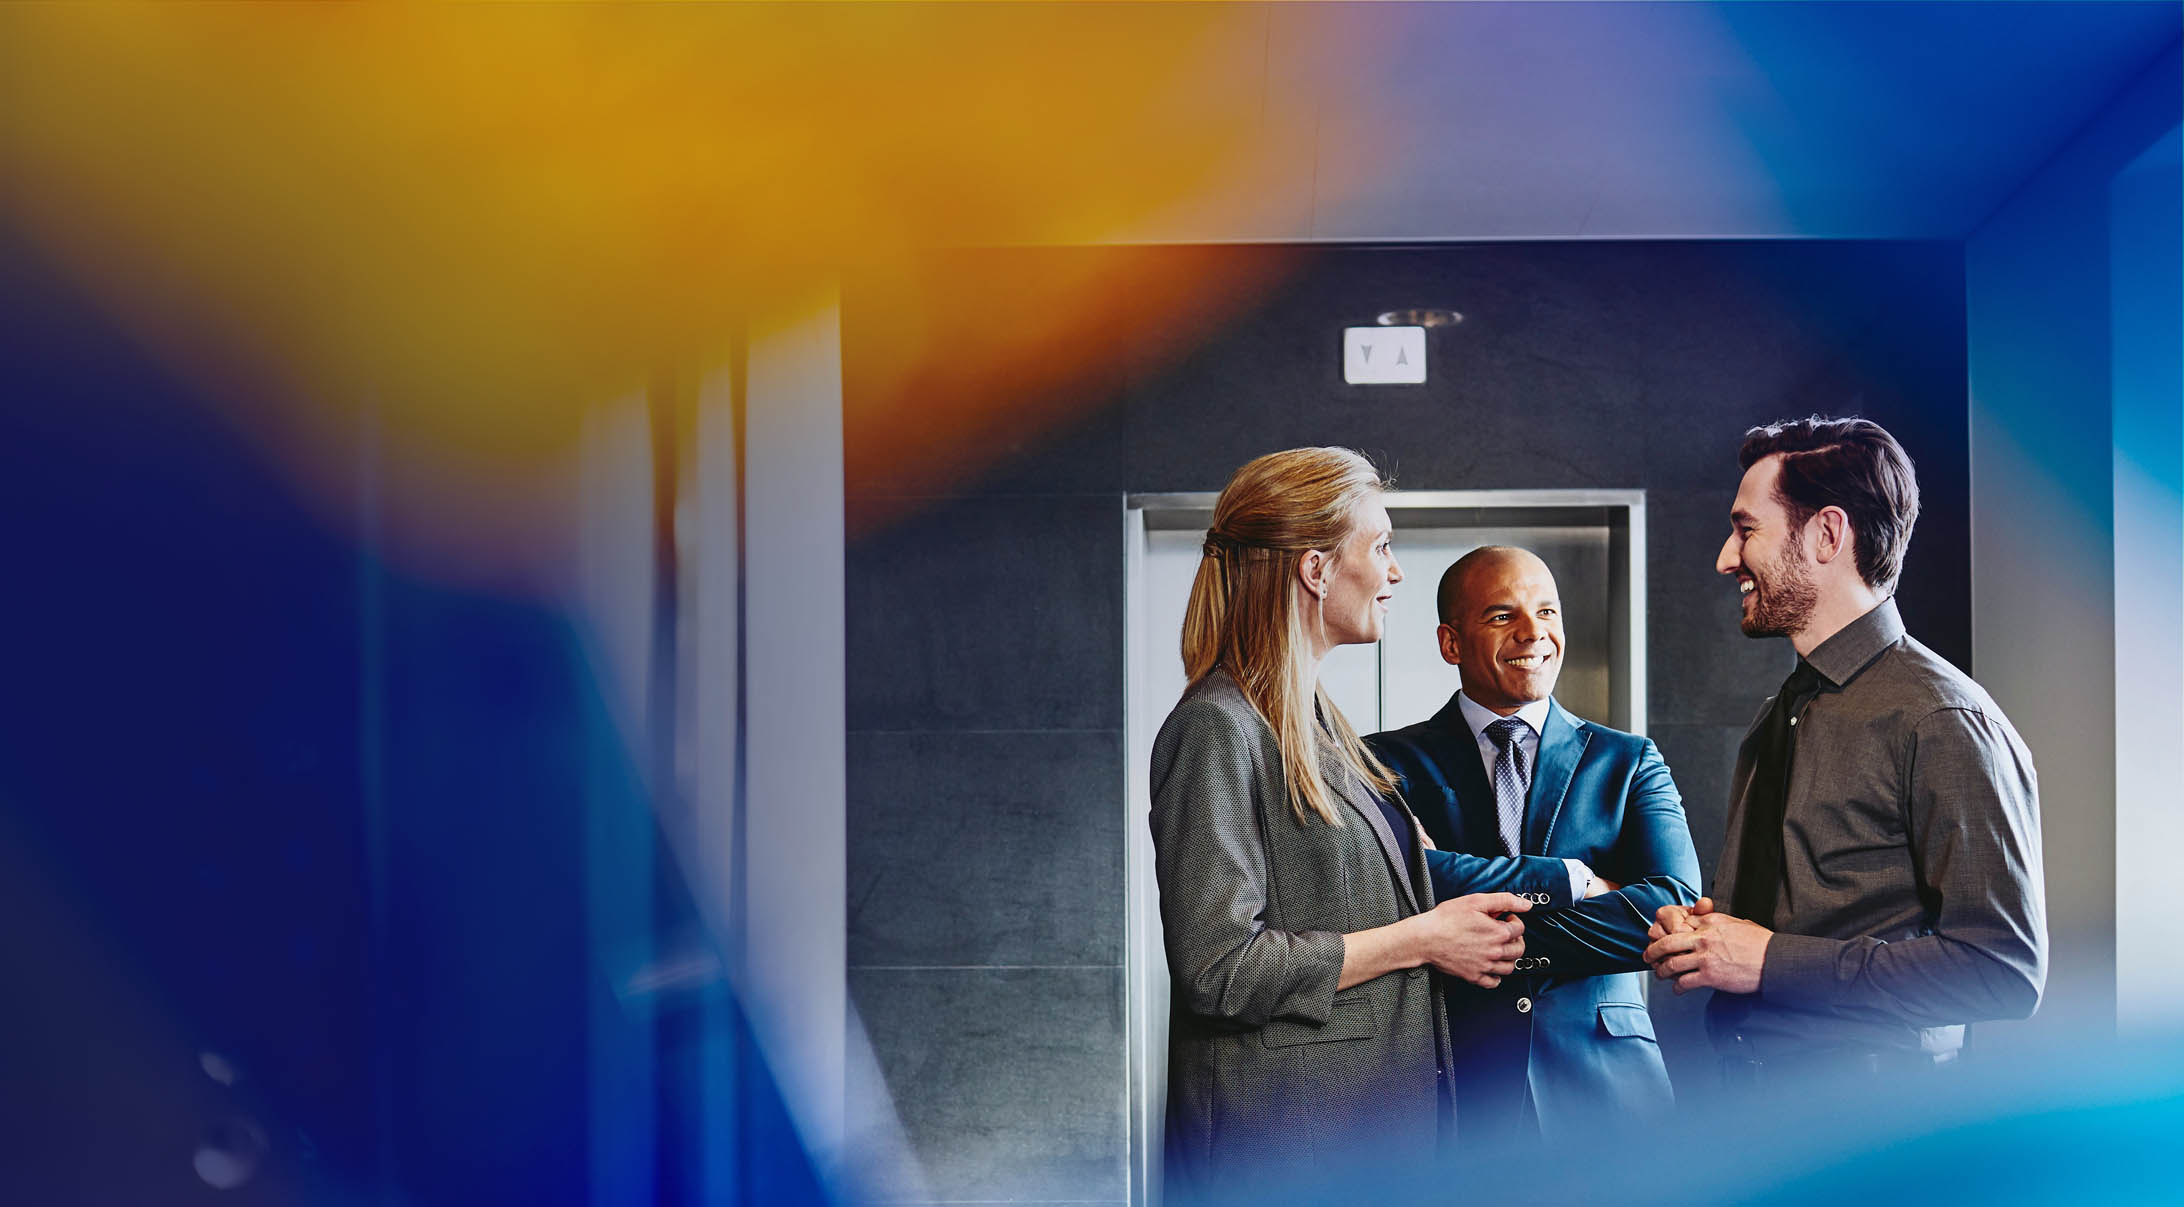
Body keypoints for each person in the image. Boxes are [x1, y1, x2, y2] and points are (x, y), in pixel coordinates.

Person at [1149, 447, 1569, 1195]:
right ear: (1315, 569)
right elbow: (1219, 970)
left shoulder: (1319, 724)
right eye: (1380, 547)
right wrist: (1423, 939)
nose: (1396, 573)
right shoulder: (1218, 725)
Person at [1642, 416, 2046, 1090]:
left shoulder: (1943, 717)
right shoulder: (1781, 715)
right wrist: (1711, 937)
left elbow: (2002, 969)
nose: (1725, 557)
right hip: (1754, 1107)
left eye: (1746, 530)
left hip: (1876, 1131)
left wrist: (1770, 959)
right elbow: (1791, 925)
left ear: (1827, 534)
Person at [1368, 546, 1700, 1143]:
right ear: (1450, 642)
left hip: (1609, 1092)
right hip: (1454, 1091)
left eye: (1547, 612)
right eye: (1502, 616)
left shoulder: (1628, 761)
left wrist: (1463, 932)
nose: (1533, 633)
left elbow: (1672, 911)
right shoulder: (1382, 764)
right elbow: (1390, 892)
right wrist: (1574, 881)